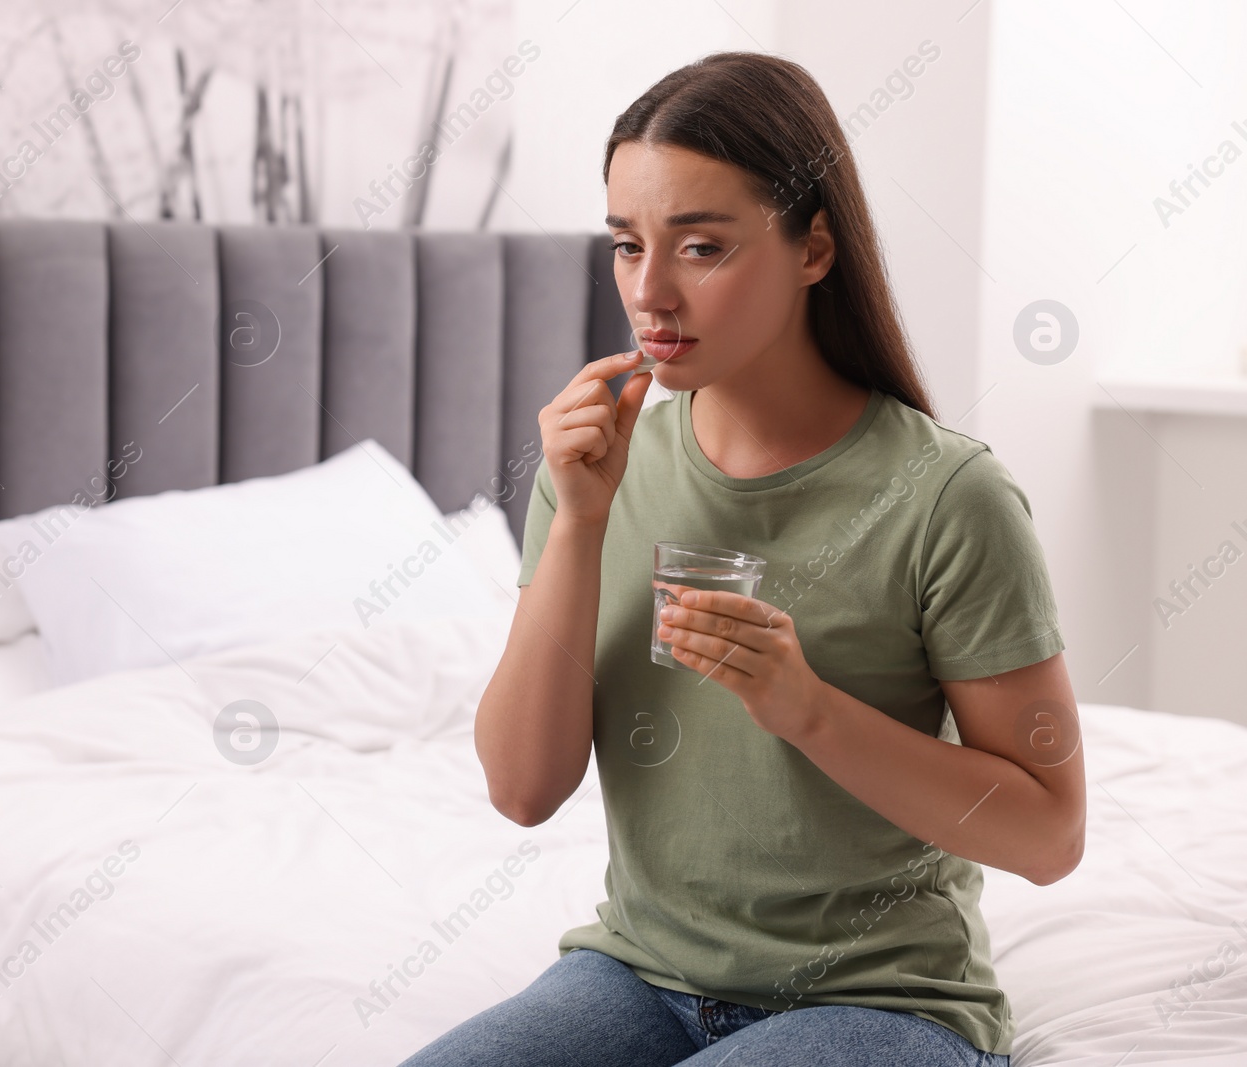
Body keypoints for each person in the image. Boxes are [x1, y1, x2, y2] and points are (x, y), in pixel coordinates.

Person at [398, 51, 1084, 1067]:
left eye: (702, 247)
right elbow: (522, 787)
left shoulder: (950, 498)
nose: (650, 293)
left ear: (814, 248)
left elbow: (1047, 834)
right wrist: (582, 522)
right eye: (627, 246)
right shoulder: (592, 467)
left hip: (881, 1001)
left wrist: (804, 706)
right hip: (637, 974)